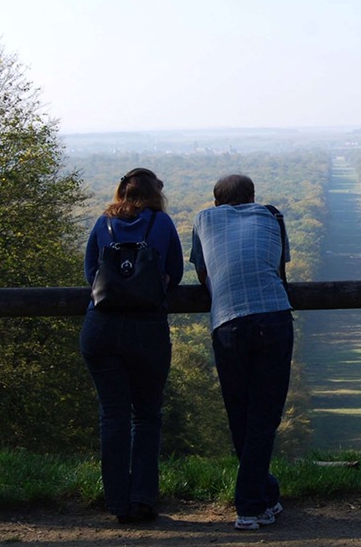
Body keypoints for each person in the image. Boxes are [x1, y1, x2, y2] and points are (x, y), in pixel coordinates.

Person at [80, 167, 184, 525]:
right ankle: (143, 500)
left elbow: (90, 273)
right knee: (147, 415)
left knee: (113, 415)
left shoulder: (101, 223)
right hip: (147, 329)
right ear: (154, 193)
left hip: (101, 327)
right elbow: (175, 273)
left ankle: (117, 502)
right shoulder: (162, 224)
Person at [190, 174, 293, 531]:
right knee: (264, 415)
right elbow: (280, 270)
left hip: (227, 322)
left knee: (240, 414)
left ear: (216, 201)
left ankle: (264, 495)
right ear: (252, 197)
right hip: (272, 317)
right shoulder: (271, 215)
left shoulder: (203, 220)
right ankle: (251, 505)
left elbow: (205, 275)